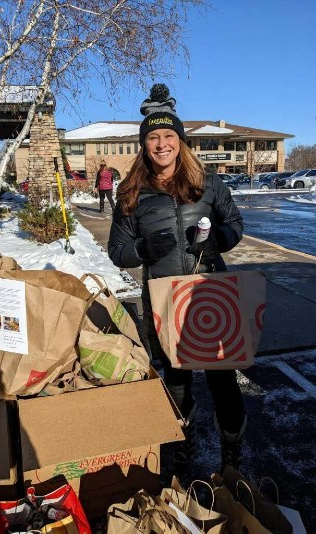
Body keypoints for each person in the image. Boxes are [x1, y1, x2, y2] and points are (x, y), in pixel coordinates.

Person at [108, 83, 247, 477]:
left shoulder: (209, 183)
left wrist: (222, 238)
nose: (161, 143)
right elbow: (117, 251)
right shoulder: (131, 192)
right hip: (164, 298)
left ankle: (232, 455)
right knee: (178, 383)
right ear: (144, 144)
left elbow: (235, 223)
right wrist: (144, 251)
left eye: (169, 135)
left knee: (224, 384)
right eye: (153, 136)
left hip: (210, 293)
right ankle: (183, 448)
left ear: (181, 141)